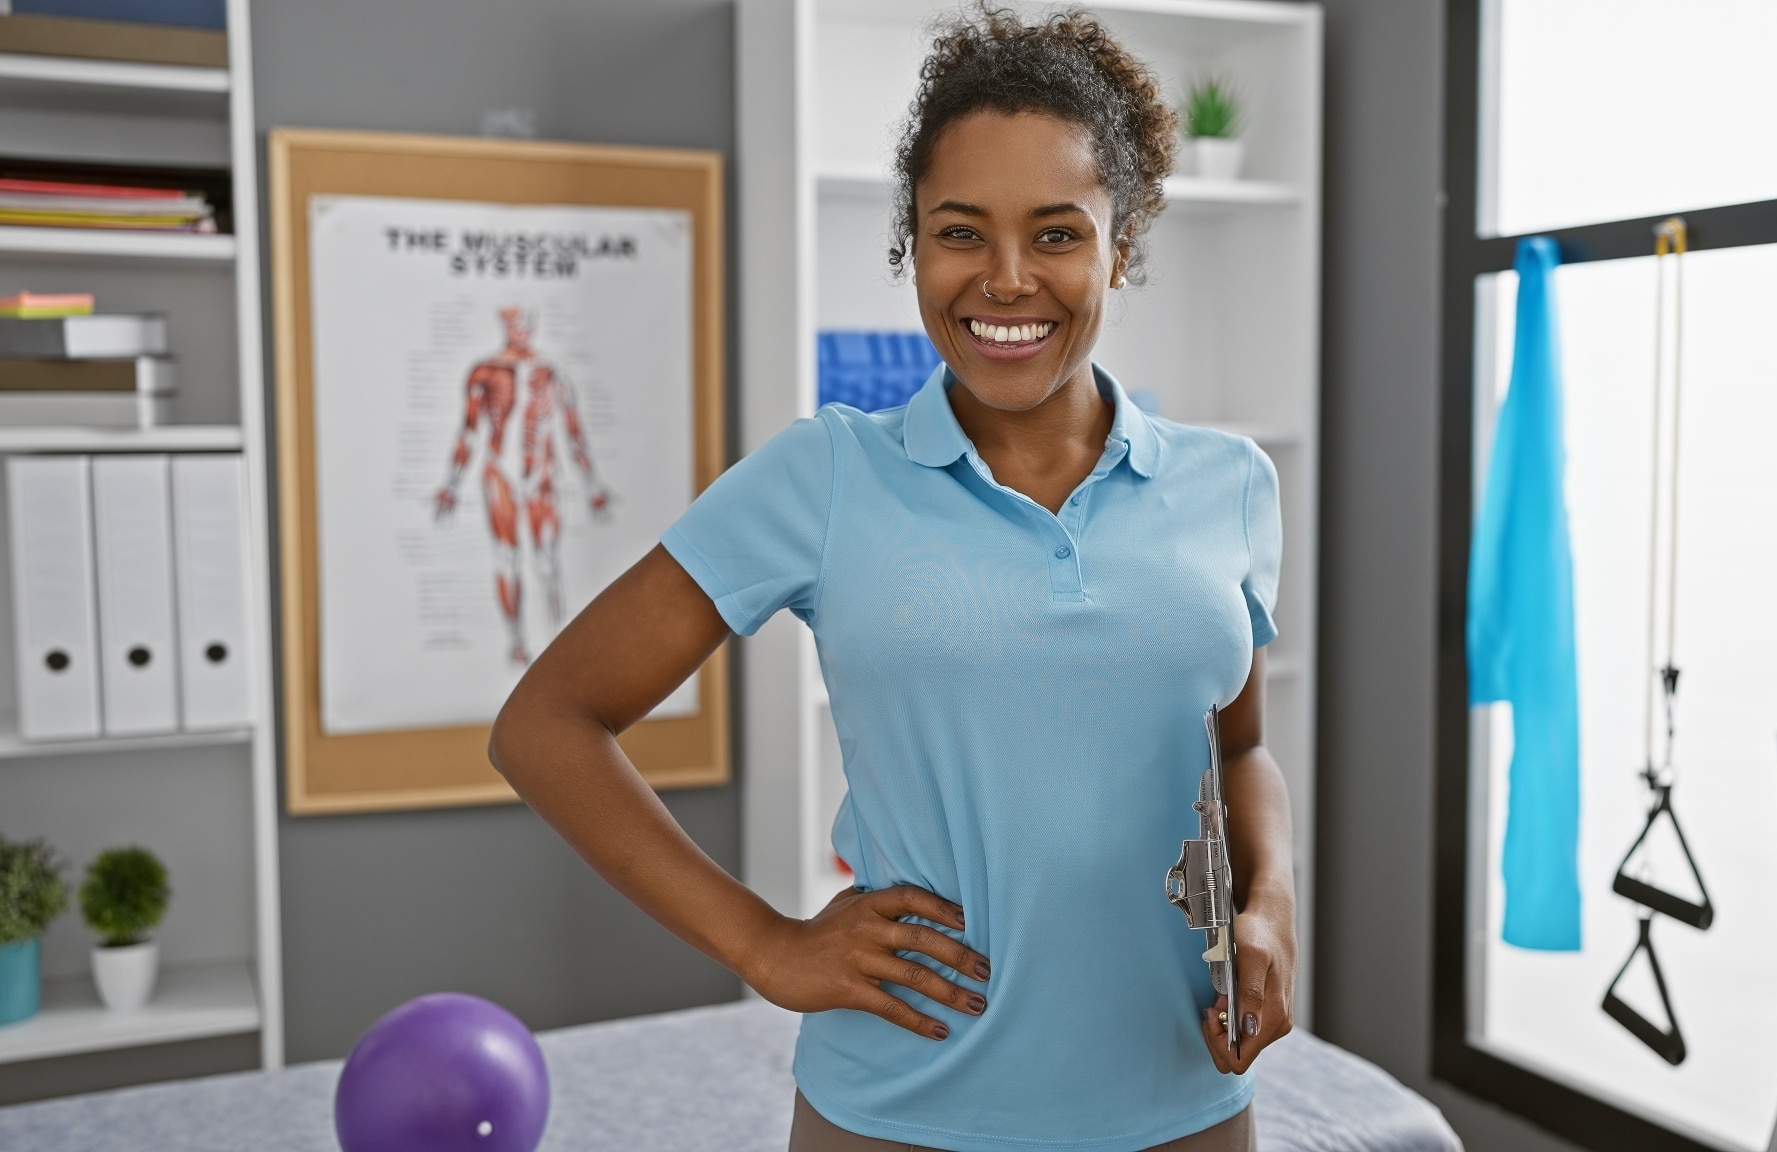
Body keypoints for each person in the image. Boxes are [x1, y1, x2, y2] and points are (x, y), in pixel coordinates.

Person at [489, 8, 1293, 1151]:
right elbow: (547, 724)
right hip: (900, 1115)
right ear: (911, 243)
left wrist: (1271, 904)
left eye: (1056, 235)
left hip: (1186, 1105)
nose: (1006, 281)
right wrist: (762, 943)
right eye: (959, 232)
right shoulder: (823, 475)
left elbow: (1239, 746)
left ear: (1123, 244)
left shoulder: (1232, 485)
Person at [434, 305, 610, 666]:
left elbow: (573, 431)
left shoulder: (553, 372)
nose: (521, 328)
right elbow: (468, 431)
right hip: (500, 473)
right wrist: (451, 485)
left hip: (541, 475)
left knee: (547, 560)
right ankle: (516, 642)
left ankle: (558, 647)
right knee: (507, 559)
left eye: (527, 321)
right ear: (505, 324)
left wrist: (592, 485)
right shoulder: (485, 371)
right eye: (515, 321)